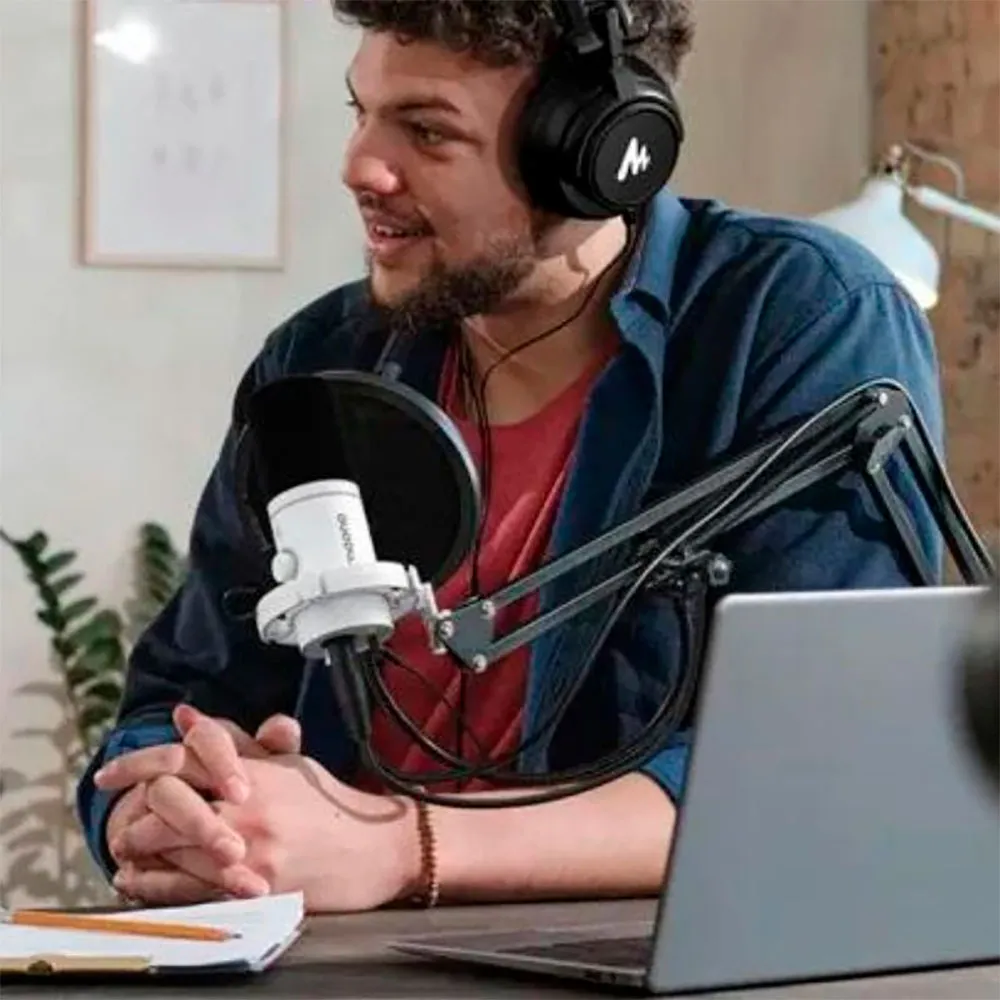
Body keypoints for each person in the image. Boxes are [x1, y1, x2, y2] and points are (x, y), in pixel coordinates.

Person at [77, 0, 944, 912]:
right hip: (322, 951)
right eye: (360, 112)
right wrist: (160, 808)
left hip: (619, 948)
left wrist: (401, 848)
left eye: (426, 130)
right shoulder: (318, 360)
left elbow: (821, 759)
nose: (359, 166)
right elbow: (181, 694)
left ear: (597, 151)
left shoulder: (799, 318)